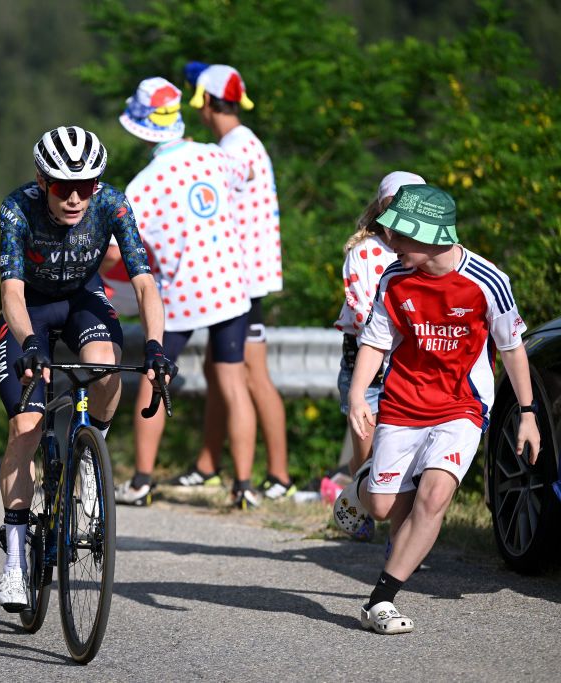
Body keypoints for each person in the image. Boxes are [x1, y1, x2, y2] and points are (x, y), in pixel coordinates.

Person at [335, 184, 539, 634]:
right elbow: (375, 340)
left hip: (462, 406)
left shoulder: (489, 282)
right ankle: (366, 480)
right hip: (403, 402)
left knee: (434, 497)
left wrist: (528, 412)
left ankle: (380, 600)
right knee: (384, 507)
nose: (390, 243)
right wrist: (356, 397)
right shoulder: (394, 278)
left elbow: (513, 348)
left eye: (399, 237)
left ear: (429, 237)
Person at [0, 125, 171, 610]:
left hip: (81, 300)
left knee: (106, 367)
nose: (75, 198)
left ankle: (91, 455)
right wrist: (29, 341)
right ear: (41, 180)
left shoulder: (112, 204)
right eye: (62, 187)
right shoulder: (17, 207)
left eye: (85, 187)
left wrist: (156, 346)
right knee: (27, 427)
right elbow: (11, 291)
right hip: (30, 307)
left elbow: (145, 283)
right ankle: (14, 560)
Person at [109, 77, 256, 509]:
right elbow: (244, 172)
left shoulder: (144, 185)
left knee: (154, 380)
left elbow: (116, 252)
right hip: (231, 286)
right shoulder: (213, 156)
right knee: (234, 383)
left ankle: (141, 481)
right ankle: (244, 487)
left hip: (180, 297)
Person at [184, 62, 292, 503]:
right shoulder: (239, 142)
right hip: (240, 278)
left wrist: (193, 154)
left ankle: (280, 476)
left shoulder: (237, 147)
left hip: (243, 282)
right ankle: (208, 464)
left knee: (252, 375)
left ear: (207, 102)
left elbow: (231, 176)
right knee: (219, 370)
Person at [334, 172, 424, 479]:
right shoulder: (362, 254)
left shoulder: (425, 253)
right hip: (367, 366)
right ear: (381, 208)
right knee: (368, 459)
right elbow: (363, 315)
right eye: (391, 206)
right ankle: (358, 507)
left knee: (401, 456)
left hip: (409, 365)